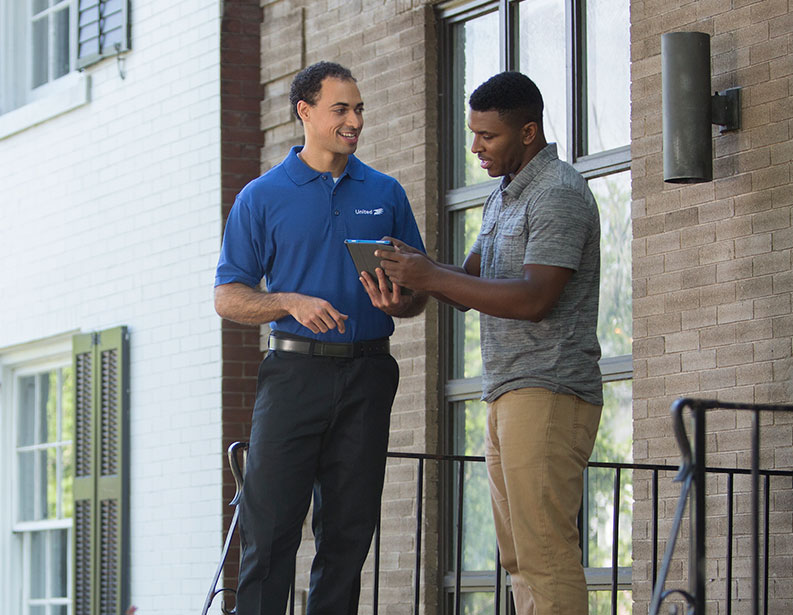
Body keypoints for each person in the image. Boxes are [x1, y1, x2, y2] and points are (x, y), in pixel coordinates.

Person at [377, 71, 602, 614]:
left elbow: (533, 298)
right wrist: (412, 274)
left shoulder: (559, 194)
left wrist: (431, 276)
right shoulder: (504, 197)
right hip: (507, 391)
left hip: (549, 389)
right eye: (473, 133)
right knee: (518, 556)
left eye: (488, 136)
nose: (475, 147)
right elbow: (469, 286)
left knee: (544, 551)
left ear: (528, 133)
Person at [214, 61, 429, 615]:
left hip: (368, 374)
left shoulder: (386, 192)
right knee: (270, 531)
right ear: (304, 111)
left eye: (359, 109)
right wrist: (288, 300)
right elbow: (227, 295)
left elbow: (420, 289)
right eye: (342, 109)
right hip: (293, 376)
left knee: (348, 536)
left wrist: (400, 301)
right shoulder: (262, 196)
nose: (355, 120)